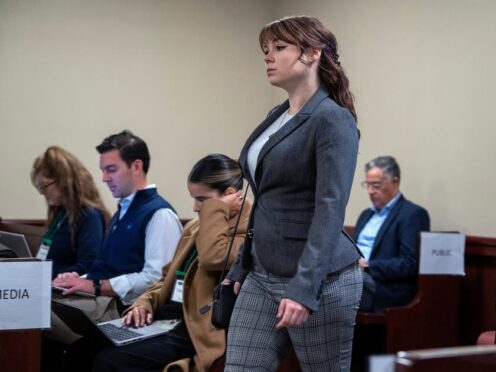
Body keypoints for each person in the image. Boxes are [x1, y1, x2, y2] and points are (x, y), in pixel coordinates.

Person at [224, 16, 362, 372]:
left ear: (313, 53)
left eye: (279, 48)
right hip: (262, 274)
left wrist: (305, 287)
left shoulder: (333, 119)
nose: (269, 57)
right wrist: (242, 265)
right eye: (266, 50)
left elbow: (330, 208)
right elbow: (266, 198)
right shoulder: (277, 115)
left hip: (320, 280)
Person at [65, 154, 250, 372]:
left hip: (194, 330)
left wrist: (216, 208)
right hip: (165, 320)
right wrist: (143, 303)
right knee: (80, 350)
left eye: (202, 200)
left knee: (109, 361)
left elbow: (213, 257)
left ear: (229, 195)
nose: (195, 208)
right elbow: (165, 279)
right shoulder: (194, 228)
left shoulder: (248, 232)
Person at [50, 130, 182, 343]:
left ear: (136, 167)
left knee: (34, 312)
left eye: (111, 170)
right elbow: (108, 268)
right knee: (32, 303)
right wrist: (77, 280)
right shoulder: (123, 211)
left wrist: (95, 285)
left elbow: (157, 280)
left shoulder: (160, 215)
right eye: (103, 170)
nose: (104, 178)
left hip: (122, 308)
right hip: (101, 298)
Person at [354, 155, 430, 312]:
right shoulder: (365, 215)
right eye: (367, 185)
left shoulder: (412, 215)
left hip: (385, 289)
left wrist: (367, 266)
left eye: (376, 185)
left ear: (395, 182)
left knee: (340, 282)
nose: (370, 191)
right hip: (358, 279)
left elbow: (409, 264)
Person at [31, 146, 110, 278]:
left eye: (45, 186)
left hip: (70, 294)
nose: (42, 193)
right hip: (49, 286)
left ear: (64, 181)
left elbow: (86, 267)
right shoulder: (61, 212)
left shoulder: (90, 216)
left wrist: (45, 274)